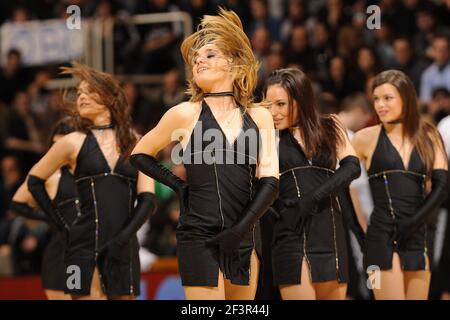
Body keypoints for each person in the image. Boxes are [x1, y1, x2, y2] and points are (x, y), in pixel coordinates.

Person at [130, 8, 279, 300]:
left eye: (210, 54)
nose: (199, 59)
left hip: (246, 236)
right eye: (197, 57)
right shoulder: (183, 113)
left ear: (235, 64)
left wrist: (240, 230)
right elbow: (140, 153)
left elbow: (270, 181)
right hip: (198, 235)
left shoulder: (259, 115)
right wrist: (178, 185)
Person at [26, 63, 157, 300]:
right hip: (81, 245)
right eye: (80, 93)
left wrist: (124, 237)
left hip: (124, 244)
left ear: (108, 97)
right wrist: (62, 225)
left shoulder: (136, 142)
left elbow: (148, 199)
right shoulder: (72, 141)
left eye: (89, 91)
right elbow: (34, 181)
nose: (82, 97)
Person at [264, 67, 363, 300]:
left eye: (281, 104)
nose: (273, 112)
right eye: (269, 105)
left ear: (300, 100)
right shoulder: (267, 136)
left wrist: (313, 197)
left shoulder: (331, 125)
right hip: (290, 232)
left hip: (329, 230)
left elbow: (352, 167)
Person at [352, 70, 448, 300]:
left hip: (417, 234)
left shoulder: (429, 135)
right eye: (376, 99)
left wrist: (416, 221)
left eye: (387, 98)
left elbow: (442, 185)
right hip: (379, 237)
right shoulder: (364, 137)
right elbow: (343, 185)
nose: (380, 105)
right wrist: (358, 230)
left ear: (405, 97)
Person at [10, 117, 79, 300]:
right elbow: (18, 202)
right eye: (55, 146)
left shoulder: (90, 170)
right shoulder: (50, 174)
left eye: (63, 145)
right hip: (62, 253)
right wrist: (50, 217)